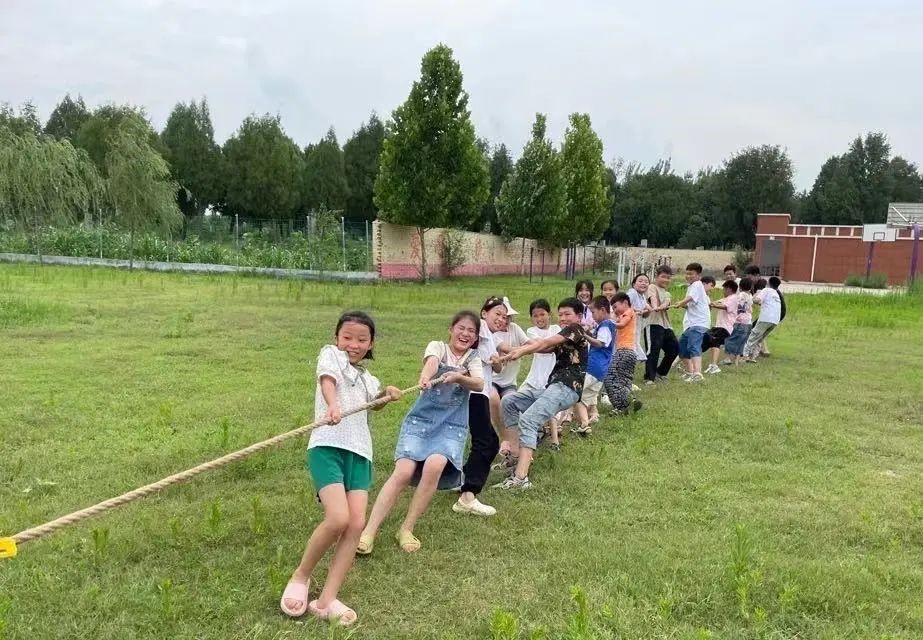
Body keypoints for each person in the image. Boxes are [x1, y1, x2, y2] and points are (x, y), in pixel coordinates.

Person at [280, 312, 402, 625]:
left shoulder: (368, 378)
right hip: (327, 446)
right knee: (338, 518)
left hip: (360, 453)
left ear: (371, 343)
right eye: (347, 337)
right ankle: (301, 576)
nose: (353, 344)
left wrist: (386, 396)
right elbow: (328, 380)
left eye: (362, 339)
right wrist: (333, 405)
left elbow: (373, 404)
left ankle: (326, 600)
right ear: (336, 338)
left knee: (356, 523)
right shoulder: (330, 355)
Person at [358, 312, 487, 556]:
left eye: (471, 331)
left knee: (435, 466)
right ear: (451, 329)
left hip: (451, 425)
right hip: (421, 420)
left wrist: (459, 378)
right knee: (403, 471)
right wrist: (426, 377)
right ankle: (368, 531)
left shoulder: (473, 358)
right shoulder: (437, 346)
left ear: (476, 337)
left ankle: (406, 528)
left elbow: (479, 384)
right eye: (461, 328)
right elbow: (431, 362)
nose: (465, 334)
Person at [495, 298, 590, 490]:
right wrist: (513, 353)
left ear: (579, 316)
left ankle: (520, 479)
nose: (563, 318)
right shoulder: (565, 335)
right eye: (560, 314)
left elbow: (545, 342)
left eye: (567, 314)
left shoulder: (576, 329)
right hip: (553, 387)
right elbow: (543, 347)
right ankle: (515, 455)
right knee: (509, 402)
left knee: (529, 420)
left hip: (566, 387)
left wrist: (521, 352)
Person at [457, 297, 505, 512]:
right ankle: (467, 495)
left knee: (487, 441)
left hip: (480, 393)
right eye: (497, 313)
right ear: (484, 313)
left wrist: (496, 362)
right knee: (486, 441)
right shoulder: (481, 329)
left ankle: (462, 479)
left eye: (504, 316)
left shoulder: (490, 337)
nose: (501, 319)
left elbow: (497, 368)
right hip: (473, 394)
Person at [573, 296, 615, 436]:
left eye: (593, 312)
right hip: (601, 372)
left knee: (574, 393)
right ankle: (585, 425)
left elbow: (600, 343)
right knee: (583, 400)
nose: (592, 316)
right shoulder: (607, 325)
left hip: (593, 368)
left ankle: (559, 421)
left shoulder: (606, 325)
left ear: (602, 310)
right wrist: (588, 332)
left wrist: (584, 335)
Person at [491, 297, 528, 457]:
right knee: (493, 399)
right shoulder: (491, 333)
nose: (503, 320)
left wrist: (539, 344)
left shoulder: (515, 328)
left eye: (506, 317)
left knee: (509, 402)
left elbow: (529, 344)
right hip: (492, 380)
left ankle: (515, 441)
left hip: (509, 382)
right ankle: (503, 438)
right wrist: (521, 350)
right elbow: (505, 348)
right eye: (499, 316)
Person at [673, 264, 714, 383]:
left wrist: (681, 302)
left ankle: (698, 373)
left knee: (694, 346)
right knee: (682, 347)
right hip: (691, 324)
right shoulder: (691, 286)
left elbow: (690, 298)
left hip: (699, 323)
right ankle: (691, 373)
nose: (688, 276)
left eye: (691, 274)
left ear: (698, 275)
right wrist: (680, 305)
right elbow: (691, 304)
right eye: (687, 273)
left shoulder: (697, 284)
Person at [604, 292, 643, 415]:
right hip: (630, 353)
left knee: (610, 377)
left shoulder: (628, 312)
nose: (615, 310)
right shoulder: (625, 314)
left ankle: (619, 406)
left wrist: (608, 323)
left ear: (625, 303)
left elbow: (621, 325)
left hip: (624, 352)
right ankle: (630, 401)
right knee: (624, 380)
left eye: (616, 307)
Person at [644, 265, 679, 383]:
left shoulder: (667, 293)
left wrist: (661, 307)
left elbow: (666, 303)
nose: (666, 280)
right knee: (654, 350)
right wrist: (655, 307)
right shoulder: (651, 287)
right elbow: (652, 298)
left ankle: (660, 372)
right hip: (653, 323)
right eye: (663, 277)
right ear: (656, 277)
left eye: (668, 278)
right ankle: (649, 378)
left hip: (666, 325)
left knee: (675, 348)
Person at [704, 280, 738, 374]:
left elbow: (724, 306)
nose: (723, 291)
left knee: (714, 341)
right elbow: (716, 302)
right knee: (706, 340)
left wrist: (712, 304)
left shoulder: (733, 298)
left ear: (729, 289)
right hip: (719, 326)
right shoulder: (727, 298)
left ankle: (714, 366)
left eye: (724, 289)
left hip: (725, 327)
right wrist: (709, 301)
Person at [744, 278, 781, 362]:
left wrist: (751, 297)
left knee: (753, 336)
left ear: (768, 283)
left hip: (766, 318)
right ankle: (753, 357)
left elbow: (757, 300)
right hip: (775, 320)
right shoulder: (776, 294)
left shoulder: (766, 290)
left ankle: (745, 356)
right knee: (760, 338)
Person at [722, 276, 753, 366]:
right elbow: (750, 309)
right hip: (748, 322)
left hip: (739, 321)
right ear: (750, 287)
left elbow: (734, 306)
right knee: (741, 342)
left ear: (740, 287)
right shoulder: (750, 296)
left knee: (729, 339)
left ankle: (728, 359)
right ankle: (736, 361)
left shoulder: (739, 296)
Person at [745, 266, 771, 356]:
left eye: (750, 278)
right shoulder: (754, 284)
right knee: (758, 328)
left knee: (756, 328)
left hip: (771, 311)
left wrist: (747, 299)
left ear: (757, 275)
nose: (749, 280)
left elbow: (757, 296)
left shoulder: (762, 282)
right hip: (767, 311)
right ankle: (763, 350)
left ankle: (762, 350)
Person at [627, 274, 653, 363]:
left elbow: (645, 316)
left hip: (636, 327)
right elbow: (623, 306)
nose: (643, 283)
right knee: (629, 348)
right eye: (640, 281)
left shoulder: (642, 297)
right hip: (628, 326)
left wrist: (648, 310)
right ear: (634, 284)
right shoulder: (632, 293)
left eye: (646, 282)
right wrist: (635, 310)